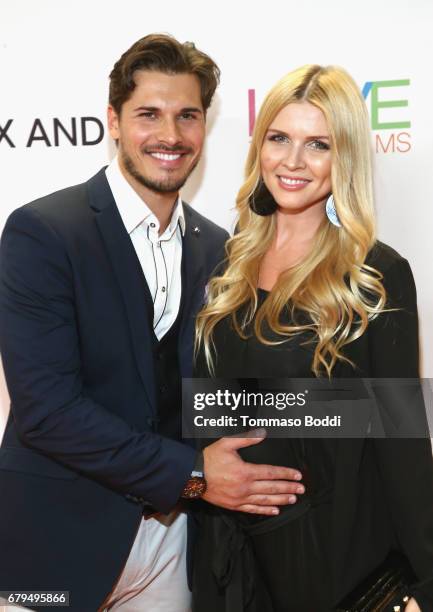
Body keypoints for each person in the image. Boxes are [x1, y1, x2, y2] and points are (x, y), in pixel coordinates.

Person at [0, 35, 304, 612]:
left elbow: (224, 392)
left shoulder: (219, 248)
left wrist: (349, 410)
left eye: (187, 116)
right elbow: (46, 412)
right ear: (113, 121)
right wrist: (193, 475)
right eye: (149, 114)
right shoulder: (44, 232)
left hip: (174, 546)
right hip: (54, 544)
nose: (170, 135)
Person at [192, 65, 433, 611]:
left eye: (318, 144)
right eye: (279, 138)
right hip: (231, 558)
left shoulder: (374, 274)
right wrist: (198, 477)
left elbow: (401, 440)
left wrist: (426, 585)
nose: (293, 161)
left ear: (343, 158)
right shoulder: (225, 264)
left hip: (333, 559)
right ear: (260, 147)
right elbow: (202, 415)